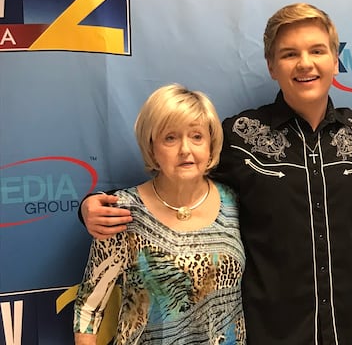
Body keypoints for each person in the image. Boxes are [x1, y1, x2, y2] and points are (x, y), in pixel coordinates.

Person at [80, 3, 352, 344]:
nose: (305, 63)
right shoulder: (240, 136)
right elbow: (177, 172)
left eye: (317, 50)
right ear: (271, 66)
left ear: (336, 59)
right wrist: (91, 207)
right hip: (271, 334)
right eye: (289, 54)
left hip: (350, 332)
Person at [73, 84, 245, 344]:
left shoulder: (235, 203)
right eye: (170, 138)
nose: (185, 149)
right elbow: (89, 306)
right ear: (152, 148)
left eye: (196, 136)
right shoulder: (123, 212)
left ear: (211, 144)